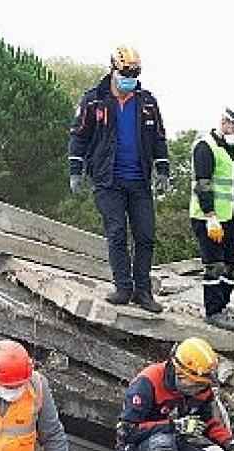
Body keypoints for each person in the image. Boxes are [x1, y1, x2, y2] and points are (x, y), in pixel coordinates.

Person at [67, 45, 170, 313]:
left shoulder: (147, 102)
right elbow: (79, 136)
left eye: (134, 74)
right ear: (113, 70)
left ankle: (143, 291)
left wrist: (163, 169)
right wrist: (76, 171)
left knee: (145, 236)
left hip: (139, 180)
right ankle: (123, 287)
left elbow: (159, 138)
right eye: (125, 73)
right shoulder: (94, 100)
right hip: (107, 178)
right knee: (117, 233)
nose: (130, 79)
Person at [190, 108, 234, 331]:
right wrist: (210, 216)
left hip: (230, 217)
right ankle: (213, 311)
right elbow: (203, 183)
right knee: (215, 264)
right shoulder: (205, 146)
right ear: (224, 122)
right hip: (208, 217)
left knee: (233, 263)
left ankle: (221, 306)